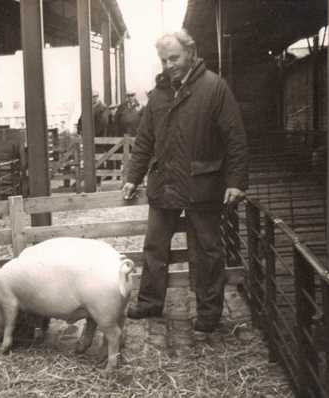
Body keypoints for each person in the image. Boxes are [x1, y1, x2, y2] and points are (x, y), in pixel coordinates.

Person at [121, 30, 248, 334]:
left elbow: (236, 139)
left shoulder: (214, 88)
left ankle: (208, 313)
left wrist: (236, 182)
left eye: (174, 58)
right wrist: (132, 177)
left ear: (191, 52)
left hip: (202, 184)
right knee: (154, 246)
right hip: (164, 183)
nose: (169, 65)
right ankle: (150, 302)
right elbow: (144, 141)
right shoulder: (159, 95)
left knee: (206, 250)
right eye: (164, 60)